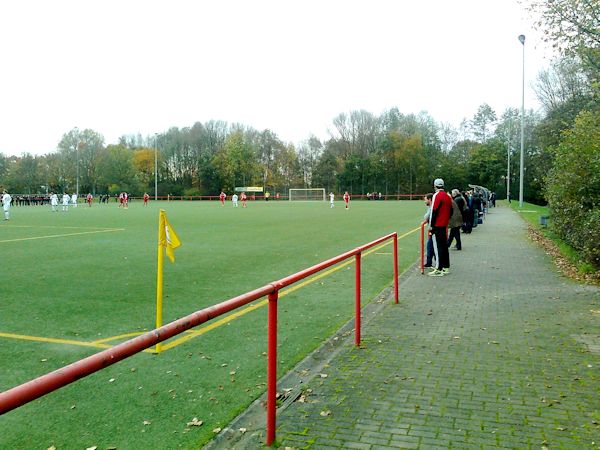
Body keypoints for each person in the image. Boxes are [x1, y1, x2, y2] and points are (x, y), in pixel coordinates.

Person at [428, 178, 452, 276]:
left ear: (435, 186)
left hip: (437, 225)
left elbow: (434, 211)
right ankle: (446, 267)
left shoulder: (436, 196)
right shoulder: (447, 196)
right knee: (444, 246)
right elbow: (451, 211)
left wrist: (431, 226)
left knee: (438, 247)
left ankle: (439, 268)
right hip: (444, 225)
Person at [423, 193, 435, 268]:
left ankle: (432, 262)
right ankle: (429, 262)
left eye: (425, 199)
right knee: (430, 245)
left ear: (429, 200)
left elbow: (426, 216)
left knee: (430, 245)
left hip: (434, 229)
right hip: (433, 229)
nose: (425, 201)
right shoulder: (430, 207)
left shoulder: (432, 207)